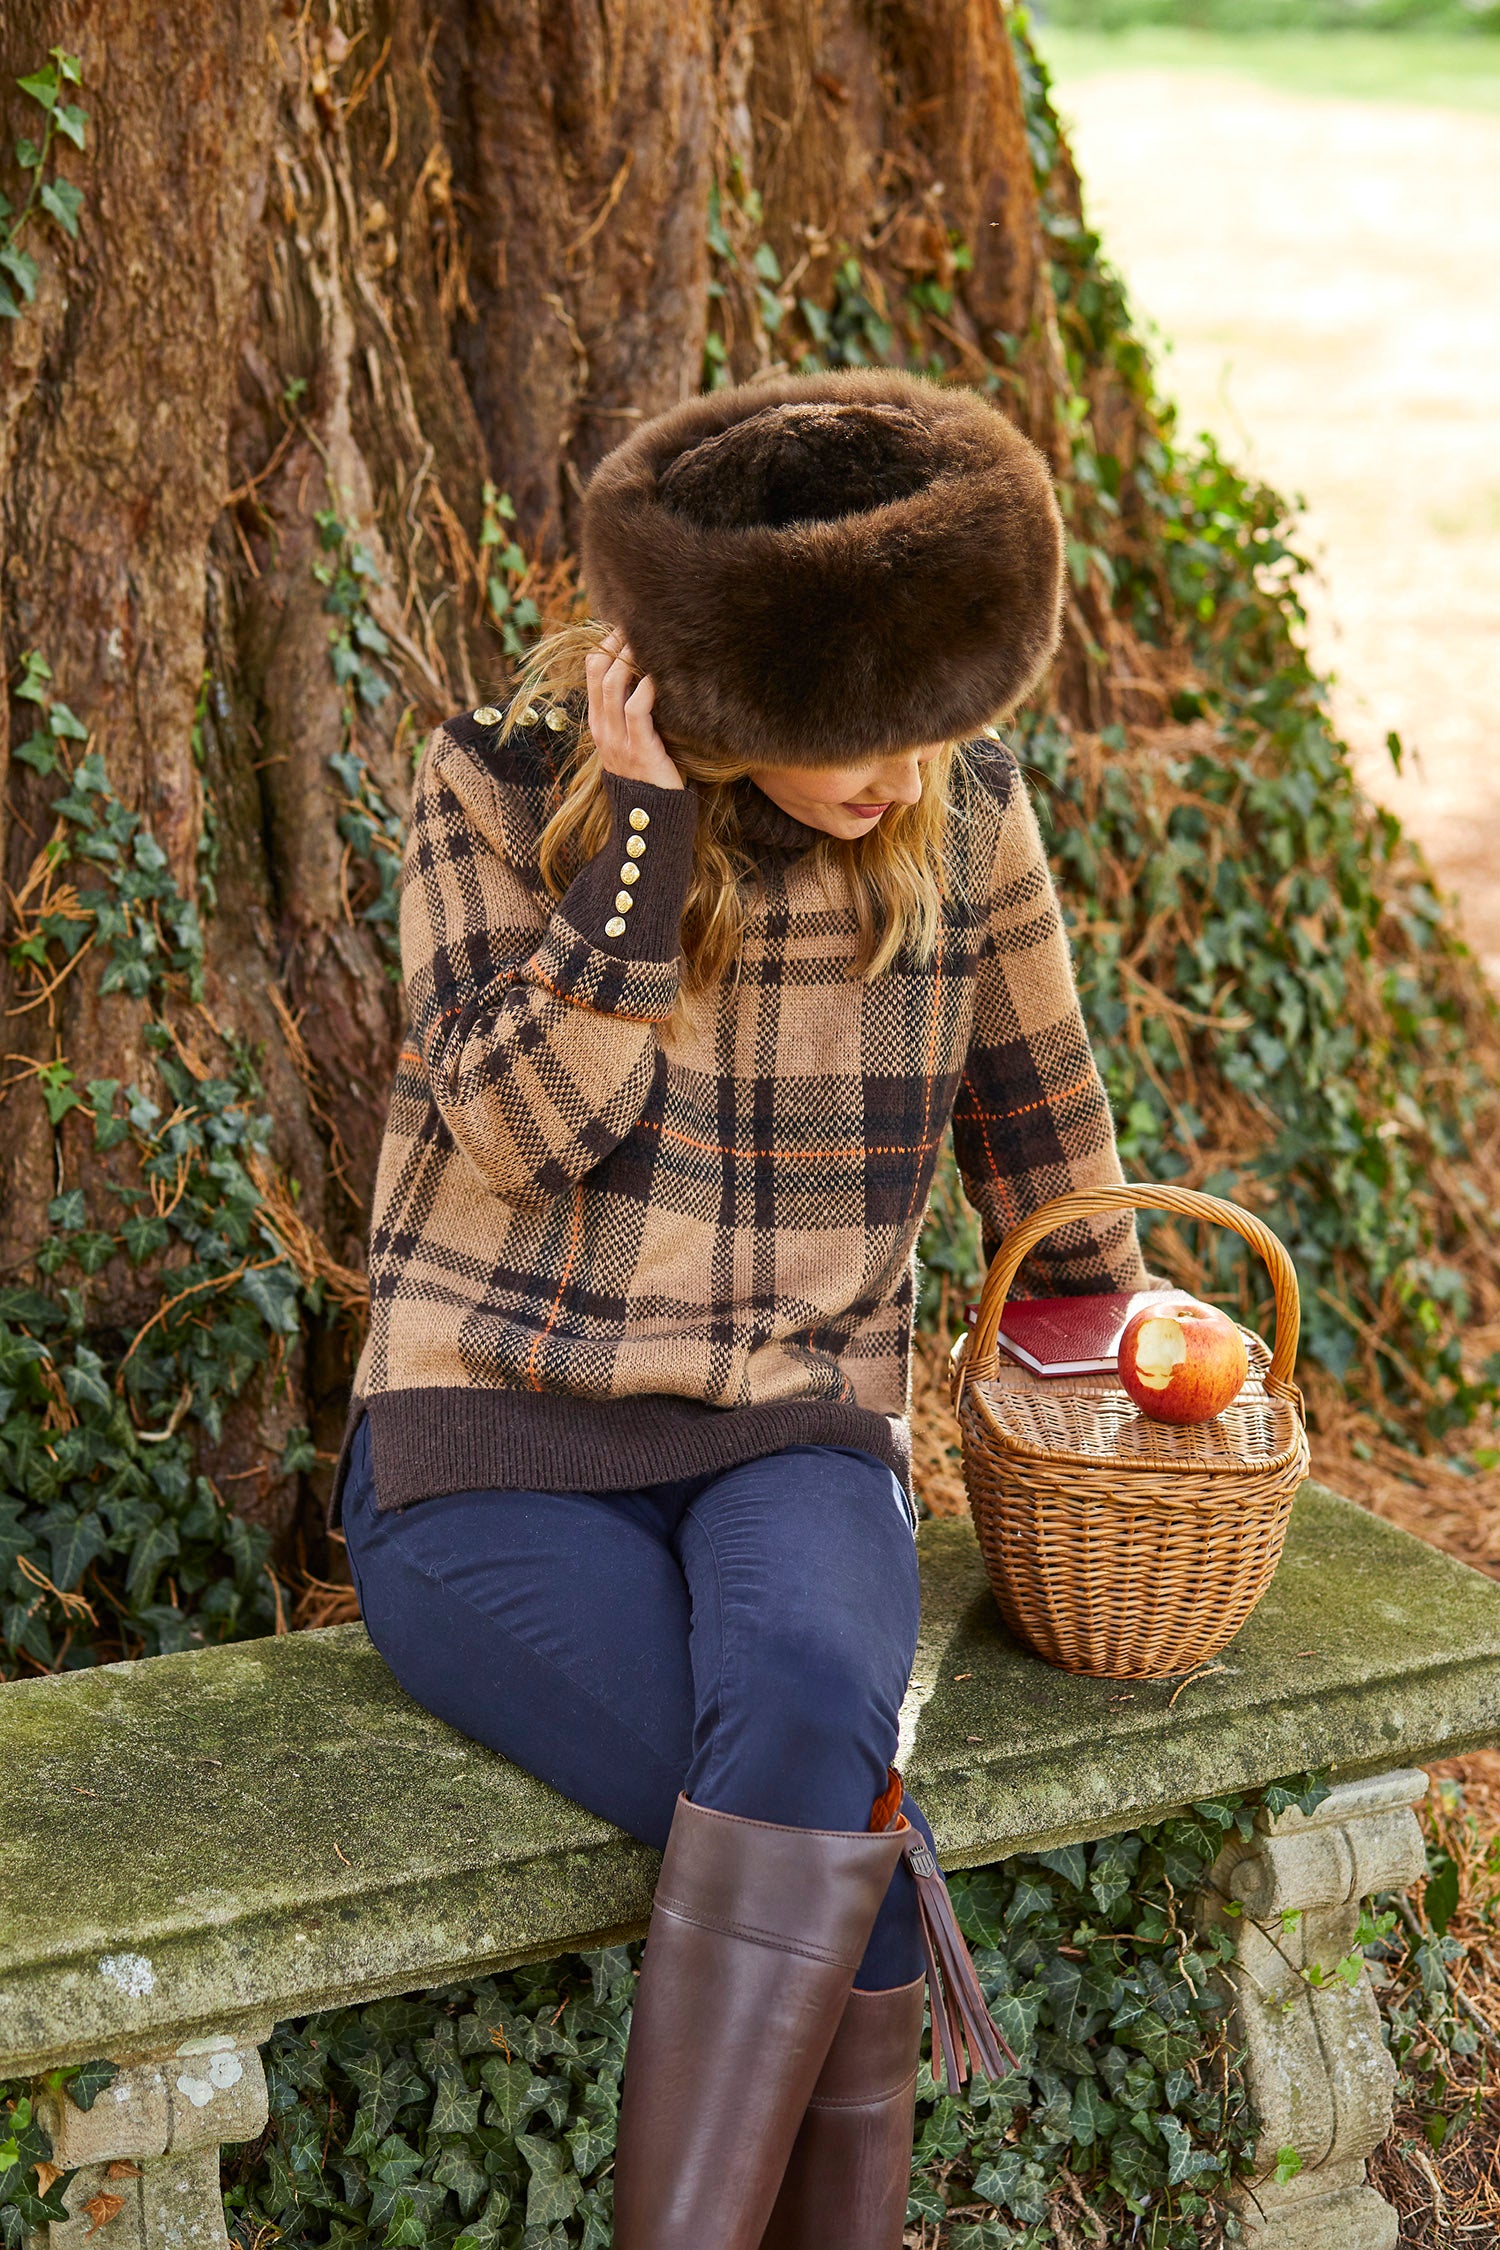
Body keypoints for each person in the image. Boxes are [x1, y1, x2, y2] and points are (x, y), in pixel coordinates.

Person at [334, 369, 1149, 2249]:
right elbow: (524, 1132)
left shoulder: (966, 814)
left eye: (933, 715)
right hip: (489, 1440)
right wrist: (636, 844)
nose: (901, 762)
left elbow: (1050, 1145)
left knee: (801, 1702)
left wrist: (1127, 1374)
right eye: (858, 725)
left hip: (793, 1423)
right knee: (848, 1844)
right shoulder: (496, 784)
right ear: (719, 692)